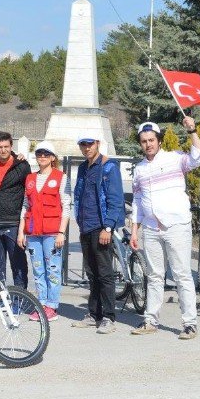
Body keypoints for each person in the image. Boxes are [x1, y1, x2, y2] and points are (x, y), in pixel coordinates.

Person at [129, 117, 200, 340]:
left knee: (182, 275)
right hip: (152, 229)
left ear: (160, 141)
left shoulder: (175, 159)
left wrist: (191, 130)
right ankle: (150, 320)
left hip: (176, 225)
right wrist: (135, 230)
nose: (148, 144)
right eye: (144, 141)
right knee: (154, 276)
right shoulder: (140, 170)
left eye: (152, 140)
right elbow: (137, 201)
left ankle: (189, 324)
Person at [71, 134, 126, 334]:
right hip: (86, 227)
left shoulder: (109, 167)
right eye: (83, 145)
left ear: (98, 144)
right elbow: (80, 195)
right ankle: (94, 314)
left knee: (105, 274)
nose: (86, 148)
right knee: (92, 274)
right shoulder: (84, 168)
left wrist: (108, 227)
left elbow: (115, 199)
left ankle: (109, 317)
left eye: (89, 144)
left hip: (101, 228)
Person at [18, 141, 70, 322]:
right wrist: (20, 232)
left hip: (52, 232)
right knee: (38, 270)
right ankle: (41, 304)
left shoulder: (61, 177)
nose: (42, 157)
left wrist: (62, 233)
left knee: (53, 270)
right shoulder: (30, 179)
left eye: (46, 154)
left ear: (53, 158)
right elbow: (25, 206)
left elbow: (66, 206)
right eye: (39, 153)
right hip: (33, 232)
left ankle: (52, 306)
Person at [0, 131, 31, 291]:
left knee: (18, 263)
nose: (3, 150)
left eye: (6, 146)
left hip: (13, 222)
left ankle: (20, 299)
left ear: (11, 146)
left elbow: (28, 192)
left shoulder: (22, 166)